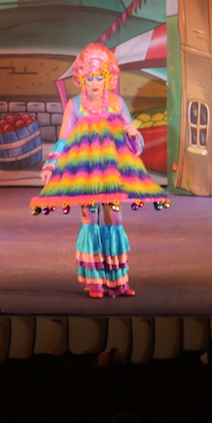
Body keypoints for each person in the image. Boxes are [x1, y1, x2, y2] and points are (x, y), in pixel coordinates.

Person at [32, 42, 168, 298]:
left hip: (113, 173)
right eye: (90, 78)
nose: (95, 83)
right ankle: (95, 283)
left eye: (99, 77)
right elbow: (64, 139)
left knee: (115, 220)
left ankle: (118, 282)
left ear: (109, 77)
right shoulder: (75, 105)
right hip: (86, 174)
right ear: (81, 79)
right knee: (91, 219)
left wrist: (133, 133)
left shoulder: (116, 103)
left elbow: (134, 143)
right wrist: (51, 165)